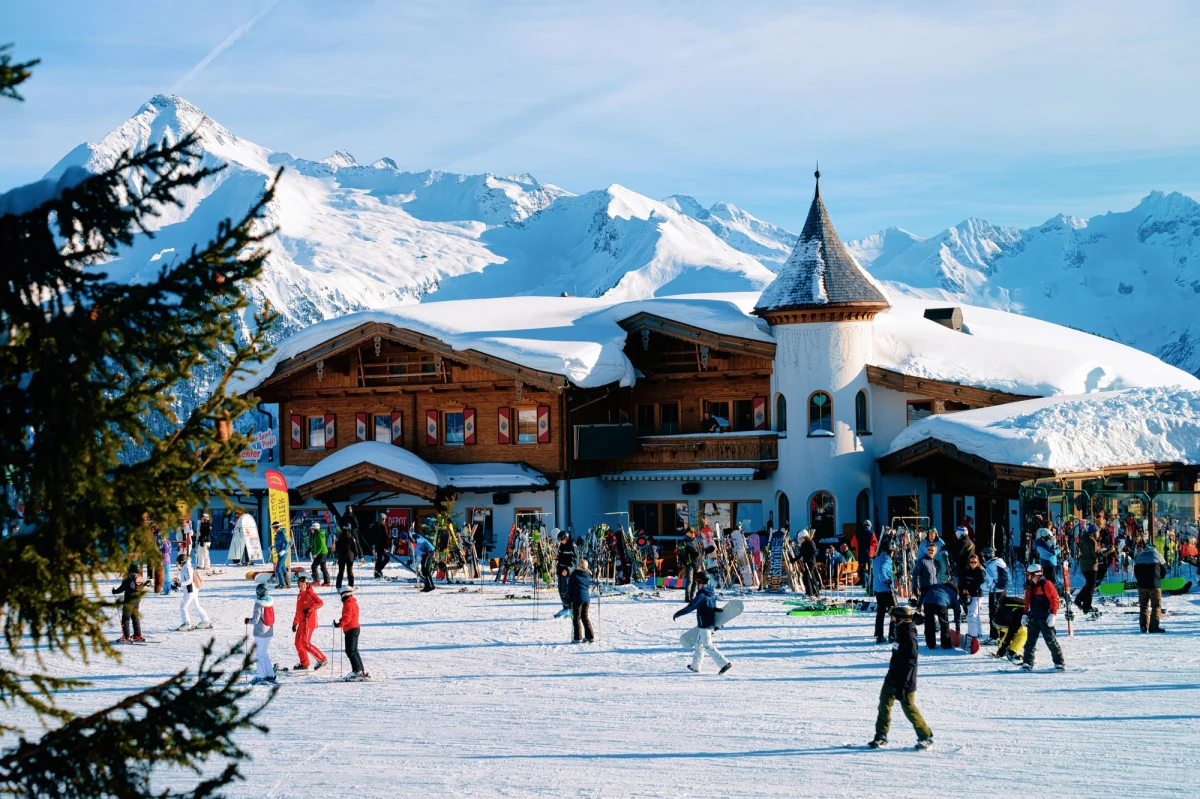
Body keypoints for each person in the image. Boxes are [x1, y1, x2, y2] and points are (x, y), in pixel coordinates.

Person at [870, 605, 933, 750]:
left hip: (905, 681)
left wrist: (904, 685)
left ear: (899, 619)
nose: (891, 619)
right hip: (892, 677)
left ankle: (926, 736)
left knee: (909, 708)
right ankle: (881, 735)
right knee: (884, 705)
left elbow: (911, 663)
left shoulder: (909, 637)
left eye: (893, 617)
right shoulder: (900, 630)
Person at [672, 572, 731, 675]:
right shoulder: (711, 592)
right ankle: (695, 666)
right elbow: (711, 606)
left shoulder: (702, 594)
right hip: (709, 622)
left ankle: (724, 663)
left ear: (700, 582)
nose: (696, 583)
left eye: (697, 581)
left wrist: (678, 614)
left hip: (705, 624)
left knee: (708, 646)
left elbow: (691, 607)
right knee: (699, 644)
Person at [1020, 564, 1065, 671]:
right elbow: (1028, 601)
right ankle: (1027, 663)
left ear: (1035, 574)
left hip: (1045, 618)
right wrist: (1025, 614)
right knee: (1030, 641)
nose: (1027, 576)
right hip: (1034, 617)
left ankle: (1059, 663)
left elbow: (1054, 600)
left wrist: (1053, 614)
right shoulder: (1030, 586)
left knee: (1050, 640)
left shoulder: (1046, 584)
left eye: (1029, 574)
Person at [291, 575, 327, 671]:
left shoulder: (310, 594)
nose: (302, 586)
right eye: (300, 585)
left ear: (307, 585)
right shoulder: (300, 596)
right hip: (302, 622)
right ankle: (304, 663)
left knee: (305, 643)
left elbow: (320, 602)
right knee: (298, 643)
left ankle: (322, 659)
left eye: (304, 585)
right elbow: (298, 611)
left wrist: (310, 608)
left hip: (309, 622)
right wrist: (295, 623)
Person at [333, 586, 368, 681]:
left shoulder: (348, 603)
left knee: (350, 651)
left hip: (351, 629)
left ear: (344, 594)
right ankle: (360, 671)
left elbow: (347, 618)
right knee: (354, 651)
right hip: (355, 628)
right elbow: (350, 616)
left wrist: (339, 624)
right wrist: (342, 620)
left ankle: (357, 671)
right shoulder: (352, 602)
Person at [245, 583, 277, 685]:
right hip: (269, 631)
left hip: (260, 632)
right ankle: (269, 674)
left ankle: (260, 676)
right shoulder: (270, 602)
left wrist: (247, 620)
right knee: (264, 653)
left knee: (259, 654)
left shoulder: (258, 604)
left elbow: (255, 620)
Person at [1133, 543, 1167, 633]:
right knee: (1156, 606)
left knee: (1143, 606)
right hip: (1154, 585)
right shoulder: (1158, 555)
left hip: (1142, 585)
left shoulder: (1139, 556)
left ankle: (1143, 627)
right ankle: (1154, 627)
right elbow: (1164, 569)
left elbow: (1135, 571)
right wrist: (1160, 579)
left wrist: (1140, 580)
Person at [176, 553, 212, 631]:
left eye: (179, 562)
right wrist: (178, 582)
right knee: (197, 606)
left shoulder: (187, 568)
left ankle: (187, 623)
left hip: (190, 589)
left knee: (183, 607)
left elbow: (189, 580)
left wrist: (180, 584)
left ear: (183, 562)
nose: (178, 564)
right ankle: (205, 621)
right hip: (193, 589)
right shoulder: (185, 567)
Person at [112, 562, 145, 642]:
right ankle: (138, 635)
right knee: (135, 617)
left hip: (129, 601)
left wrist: (115, 591)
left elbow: (123, 587)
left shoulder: (129, 576)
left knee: (125, 618)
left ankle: (126, 636)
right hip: (137, 600)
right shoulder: (139, 576)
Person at [982, 547, 1009, 641]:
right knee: (1002, 613)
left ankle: (994, 637)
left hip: (994, 592)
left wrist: (981, 586)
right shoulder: (1001, 562)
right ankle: (1003, 635)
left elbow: (988, 583)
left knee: (993, 614)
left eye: (983, 555)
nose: (982, 558)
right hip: (1003, 591)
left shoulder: (990, 566)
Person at [959, 552, 985, 652]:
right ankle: (978, 633)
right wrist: (964, 589)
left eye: (974, 562)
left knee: (971, 616)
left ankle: (972, 637)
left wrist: (970, 589)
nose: (973, 564)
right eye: (971, 562)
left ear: (978, 562)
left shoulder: (980, 571)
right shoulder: (967, 571)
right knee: (975, 615)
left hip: (977, 595)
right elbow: (963, 582)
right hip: (969, 596)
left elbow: (981, 583)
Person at [871, 541, 896, 645]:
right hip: (886, 590)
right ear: (891, 551)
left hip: (878, 590)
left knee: (880, 612)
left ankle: (879, 635)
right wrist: (886, 580)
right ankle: (892, 635)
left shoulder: (877, 559)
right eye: (893, 551)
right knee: (894, 612)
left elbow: (875, 572)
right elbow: (882, 571)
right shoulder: (886, 560)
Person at [567, 558, 594, 643]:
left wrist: (569, 598)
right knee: (585, 617)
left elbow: (570, 586)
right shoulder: (587, 575)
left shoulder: (575, 574)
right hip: (586, 598)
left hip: (577, 598)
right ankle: (590, 636)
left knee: (576, 618)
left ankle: (578, 637)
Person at [555, 530, 576, 619]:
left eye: (561, 540)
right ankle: (565, 608)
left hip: (567, 573)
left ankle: (570, 609)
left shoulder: (572, 547)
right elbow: (562, 557)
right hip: (560, 571)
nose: (560, 542)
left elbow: (575, 561)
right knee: (561, 590)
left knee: (567, 591)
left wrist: (568, 570)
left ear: (566, 538)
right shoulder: (561, 546)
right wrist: (557, 558)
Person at [335, 522, 360, 591]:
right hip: (349, 556)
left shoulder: (340, 537)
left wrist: (337, 553)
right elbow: (355, 548)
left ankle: (338, 586)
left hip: (341, 556)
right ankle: (351, 585)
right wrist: (357, 554)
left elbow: (337, 548)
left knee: (340, 572)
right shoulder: (351, 537)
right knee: (349, 572)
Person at [680, 529, 704, 601]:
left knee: (695, 580)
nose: (693, 533)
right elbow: (681, 554)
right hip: (689, 563)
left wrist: (702, 552)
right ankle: (687, 597)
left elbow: (698, 551)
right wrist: (686, 561)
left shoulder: (695, 541)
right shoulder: (683, 542)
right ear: (687, 533)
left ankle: (692, 596)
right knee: (689, 580)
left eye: (694, 532)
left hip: (696, 563)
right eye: (691, 532)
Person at [856, 519, 877, 588]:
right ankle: (871, 584)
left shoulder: (858, 533)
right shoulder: (871, 533)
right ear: (870, 526)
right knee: (871, 569)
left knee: (863, 569)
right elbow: (875, 543)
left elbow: (852, 543)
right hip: (869, 554)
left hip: (860, 554)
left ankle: (864, 583)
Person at [369, 513, 391, 578]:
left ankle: (377, 573)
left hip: (377, 544)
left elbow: (370, 534)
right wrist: (391, 537)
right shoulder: (383, 526)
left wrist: (373, 541)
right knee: (387, 558)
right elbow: (386, 535)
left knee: (379, 559)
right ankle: (378, 570)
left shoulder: (374, 526)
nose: (385, 521)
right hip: (383, 545)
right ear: (382, 519)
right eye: (384, 519)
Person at [310, 521, 331, 586]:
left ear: (315, 529)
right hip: (323, 552)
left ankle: (316, 581)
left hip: (322, 553)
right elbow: (316, 544)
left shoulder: (319, 534)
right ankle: (327, 582)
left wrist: (316, 553)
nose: (311, 530)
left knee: (314, 566)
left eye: (312, 529)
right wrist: (311, 548)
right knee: (323, 567)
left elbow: (321, 545)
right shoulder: (316, 534)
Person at [271, 522, 291, 588]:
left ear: (275, 527)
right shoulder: (278, 534)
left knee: (278, 568)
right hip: (280, 553)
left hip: (283, 553)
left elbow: (287, 543)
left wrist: (284, 550)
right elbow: (280, 543)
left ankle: (282, 584)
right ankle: (287, 584)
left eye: (273, 528)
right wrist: (273, 546)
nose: (273, 529)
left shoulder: (281, 533)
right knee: (283, 568)